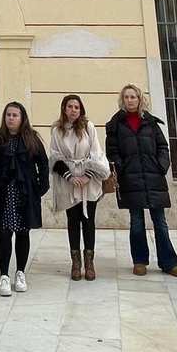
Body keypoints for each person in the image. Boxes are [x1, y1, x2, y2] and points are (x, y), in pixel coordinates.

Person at [105, 84, 177, 279]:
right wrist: (122, 166)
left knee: (160, 221)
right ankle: (139, 261)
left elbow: (162, 147)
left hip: (153, 177)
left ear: (139, 99)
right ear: (122, 100)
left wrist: (161, 166)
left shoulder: (150, 123)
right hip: (130, 179)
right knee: (136, 221)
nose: (130, 100)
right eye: (126, 97)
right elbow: (112, 150)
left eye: (133, 96)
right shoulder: (116, 124)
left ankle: (169, 262)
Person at [0, 101, 51, 296]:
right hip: (3, 194)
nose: (11, 118)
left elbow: (43, 163)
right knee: (4, 233)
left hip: (25, 193)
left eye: (15, 115)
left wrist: (41, 187)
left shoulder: (32, 139)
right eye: (8, 115)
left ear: (22, 118)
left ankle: (20, 272)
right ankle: (4, 275)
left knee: (23, 233)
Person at [48, 94, 110, 281]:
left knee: (88, 220)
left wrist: (87, 176)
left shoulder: (88, 127)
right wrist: (68, 176)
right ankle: (75, 262)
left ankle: (89, 262)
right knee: (73, 221)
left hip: (88, 182)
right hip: (68, 181)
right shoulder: (57, 129)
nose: (73, 110)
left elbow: (96, 153)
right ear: (64, 109)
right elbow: (54, 156)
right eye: (70, 106)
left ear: (81, 109)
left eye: (77, 107)